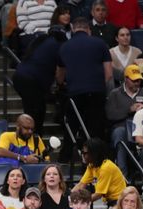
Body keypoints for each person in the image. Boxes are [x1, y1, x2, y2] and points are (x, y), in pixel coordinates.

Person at [56, 17, 113, 147]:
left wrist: (61, 85)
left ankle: (66, 157)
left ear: (72, 29)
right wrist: (98, 86)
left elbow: (59, 75)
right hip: (97, 91)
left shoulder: (64, 47)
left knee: (72, 125)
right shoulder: (100, 44)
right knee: (96, 128)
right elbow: (109, 74)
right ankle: (97, 159)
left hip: (75, 93)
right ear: (88, 29)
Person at [12, 26, 68, 136]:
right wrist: (60, 84)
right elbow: (60, 71)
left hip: (19, 76)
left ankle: (30, 137)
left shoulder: (41, 40)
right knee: (37, 112)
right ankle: (34, 139)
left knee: (31, 109)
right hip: (32, 80)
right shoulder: (58, 45)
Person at [106, 63, 143, 176]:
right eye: (134, 80)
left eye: (138, 80)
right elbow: (110, 115)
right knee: (120, 132)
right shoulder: (115, 94)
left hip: (141, 129)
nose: (137, 83)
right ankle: (122, 175)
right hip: (122, 128)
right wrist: (129, 110)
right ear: (126, 79)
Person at [73, 137, 127, 206]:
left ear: (94, 153)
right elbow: (81, 184)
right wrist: (68, 197)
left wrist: (79, 202)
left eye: (85, 153)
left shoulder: (106, 167)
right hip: (111, 201)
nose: (82, 155)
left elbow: (98, 194)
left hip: (120, 202)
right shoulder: (91, 166)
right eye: (82, 152)